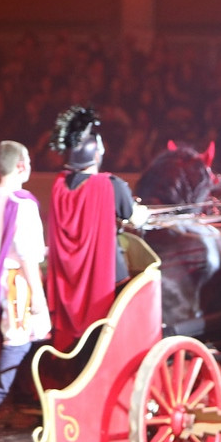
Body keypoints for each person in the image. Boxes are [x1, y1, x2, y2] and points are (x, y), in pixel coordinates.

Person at [46, 106, 149, 352]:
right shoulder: (109, 185)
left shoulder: (59, 185)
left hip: (66, 278)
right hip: (106, 277)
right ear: (96, 155)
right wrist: (142, 213)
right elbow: (135, 219)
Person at [0, 140, 50, 423]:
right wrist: (39, 299)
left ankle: (17, 397)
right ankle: (2, 404)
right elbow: (28, 257)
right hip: (18, 280)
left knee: (18, 337)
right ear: (20, 165)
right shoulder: (21, 203)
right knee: (22, 336)